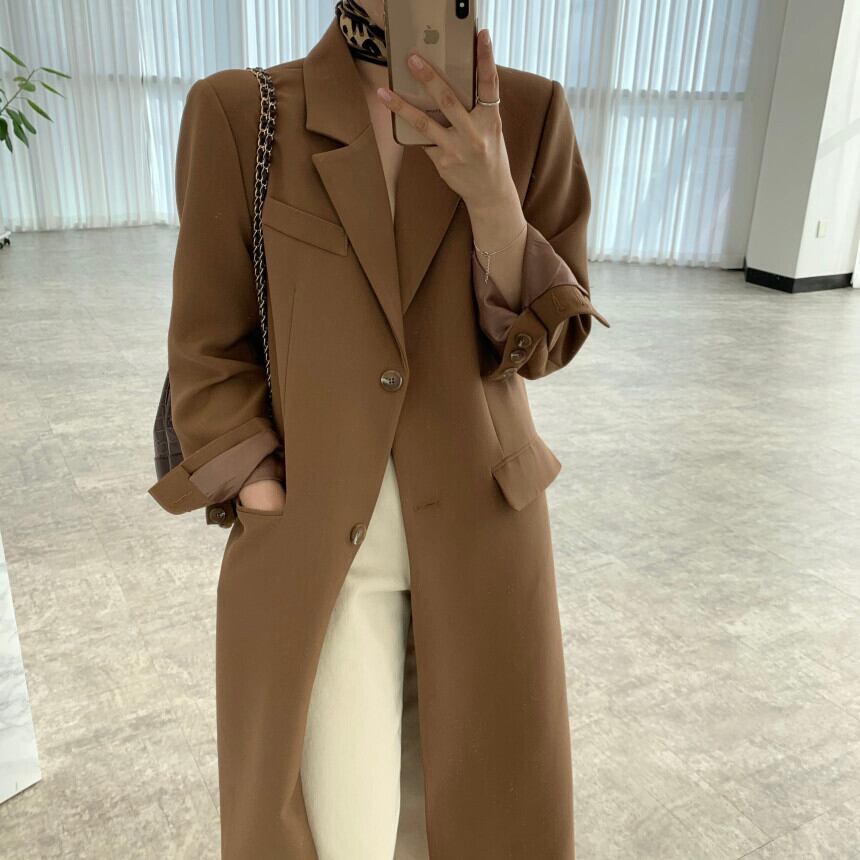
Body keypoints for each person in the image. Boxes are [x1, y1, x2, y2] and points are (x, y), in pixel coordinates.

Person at [148, 1, 610, 857]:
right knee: (336, 832)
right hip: (320, 548)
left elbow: (548, 345)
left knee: (480, 823)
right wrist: (263, 489)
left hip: (484, 539)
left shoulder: (531, 112)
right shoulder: (243, 114)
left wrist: (495, 202)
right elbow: (206, 348)